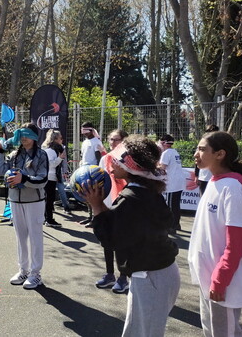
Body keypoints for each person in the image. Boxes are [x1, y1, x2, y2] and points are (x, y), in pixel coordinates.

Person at [81, 135, 180, 337]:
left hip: (151, 276)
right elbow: (129, 225)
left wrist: (97, 207)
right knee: (136, 331)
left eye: (116, 161)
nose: (110, 166)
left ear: (130, 167)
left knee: (144, 333)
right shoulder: (145, 191)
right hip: (159, 273)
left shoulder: (132, 198)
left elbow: (111, 239)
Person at [188, 131, 242, 337]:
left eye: (202, 149)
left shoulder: (232, 187)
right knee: (212, 330)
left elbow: (237, 242)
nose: (196, 153)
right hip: (210, 277)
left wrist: (220, 278)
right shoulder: (215, 181)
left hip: (223, 282)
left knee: (226, 333)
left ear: (220, 154)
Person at [0, 123, 48, 289]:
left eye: (27, 134)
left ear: (34, 136)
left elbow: (42, 179)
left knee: (35, 236)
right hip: (16, 201)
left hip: (35, 202)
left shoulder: (41, 155)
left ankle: (35, 273)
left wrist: (24, 179)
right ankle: (23, 270)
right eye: (21, 134)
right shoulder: (14, 154)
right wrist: (0, 152)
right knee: (21, 237)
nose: (23, 137)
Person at [94, 129, 130, 293]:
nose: (112, 142)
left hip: (124, 205)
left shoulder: (128, 158)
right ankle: (110, 274)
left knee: (122, 242)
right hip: (108, 203)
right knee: (106, 241)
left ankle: (123, 277)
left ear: (124, 140)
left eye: (116, 139)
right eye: (110, 139)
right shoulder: (104, 159)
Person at [79, 122, 106, 225]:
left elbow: (99, 158)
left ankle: (95, 218)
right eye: (83, 131)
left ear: (91, 131)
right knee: (86, 194)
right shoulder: (85, 142)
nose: (84, 133)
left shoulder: (96, 142)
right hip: (84, 170)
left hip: (92, 171)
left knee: (93, 194)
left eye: (86, 131)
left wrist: (96, 172)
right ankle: (89, 216)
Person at [159, 134, 184, 234]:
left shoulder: (166, 153)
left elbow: (162, 168)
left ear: (164, 143)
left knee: (170, 206)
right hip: (179, 182)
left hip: (172, 182)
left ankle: (171, 226)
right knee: (175, 204)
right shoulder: (174, 152)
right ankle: (176, 224)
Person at [41, 130, 64, 228]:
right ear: (55, 139)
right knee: (49, 200)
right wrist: (60, 158)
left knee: (48, 199)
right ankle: (49, 219)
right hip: (49, 177)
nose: (62, 140)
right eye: (60, 138)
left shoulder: (52, 150)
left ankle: (46, 218)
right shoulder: (50, 150)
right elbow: (51, 164)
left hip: (51, 177)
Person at [194, 124, 219, 195]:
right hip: (204, 177)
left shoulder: (220, 145)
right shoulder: (202, 144)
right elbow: (197, 160)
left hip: (216, 177)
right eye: (209, 132)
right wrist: (196, 175)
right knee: (204, 199)